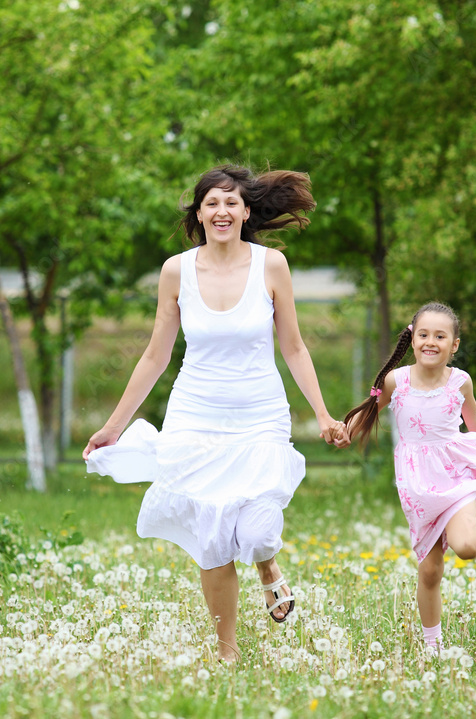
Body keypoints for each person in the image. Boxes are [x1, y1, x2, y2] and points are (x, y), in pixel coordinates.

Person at [83, 164, 349, 664]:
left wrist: (324, 414)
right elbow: (155, 355)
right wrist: (113, 426)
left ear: (247, 212)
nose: (222, 211)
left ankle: (267, 566)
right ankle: (227, 655)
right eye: (212, 203)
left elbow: (293, 347)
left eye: (231, 202)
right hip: (195, 416)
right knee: (212, 535)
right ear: (199, 214)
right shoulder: (176, 271)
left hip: (259, 415)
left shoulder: (272, 266)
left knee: (255, 531)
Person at [342, 301, 476, 657]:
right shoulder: (396, 381)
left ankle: (470, 531)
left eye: (440, 336)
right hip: (417, 485)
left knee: (463, 548)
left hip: (455, 472)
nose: (431, 342)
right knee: (430, 570)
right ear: (412, 339)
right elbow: (370, 412)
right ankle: (433, 647)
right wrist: (345, 432)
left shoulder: (460, 381)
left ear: (455, 344)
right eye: (424, 334)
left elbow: (474, 420)